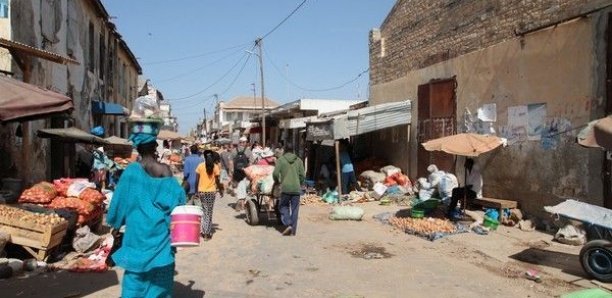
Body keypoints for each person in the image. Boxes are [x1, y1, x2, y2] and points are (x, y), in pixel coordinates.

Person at [106, 124, 186, 298]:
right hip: (161, 239)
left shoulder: (131, 172)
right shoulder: (164, 170)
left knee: (133, 286)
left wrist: (116, 224)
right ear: (155, 146)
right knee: (159, 287)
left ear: (138, 147)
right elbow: (179, 201)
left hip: (136, 238)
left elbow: (117, 206)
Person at [273, 143, 305, 236]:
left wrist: (277, 181)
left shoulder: (281, 160)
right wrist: (299, 182)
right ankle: (293, 231)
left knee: (282, 206)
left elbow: (275, 173)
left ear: (285, 150)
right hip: (296, 188)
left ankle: (288, 223)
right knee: (295, 209)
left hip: (285, 188)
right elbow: (302, 175)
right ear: (293, 150)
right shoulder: (299, 160)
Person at [194, 150, 221, 240]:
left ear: (204, 157)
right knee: (209, 212)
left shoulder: (200, 166)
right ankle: (206, 233)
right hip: (211, 192)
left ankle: (204, 230)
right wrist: (221, 189)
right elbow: (217, 181)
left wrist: (196, 192)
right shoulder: (216, 167)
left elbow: (197, 180)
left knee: (205, 211)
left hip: (201, 191)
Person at [229, 136, 253, 210]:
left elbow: (230, 162)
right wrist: (250, 172)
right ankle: (242, 203)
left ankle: (241, 203)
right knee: (244, 187)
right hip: (245, 172)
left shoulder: (234, 150)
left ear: (239, 142)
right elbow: (251, 162)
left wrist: (231, 171)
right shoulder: (248, 151)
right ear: (245, 143)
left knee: (239, 188)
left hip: (236, 172)